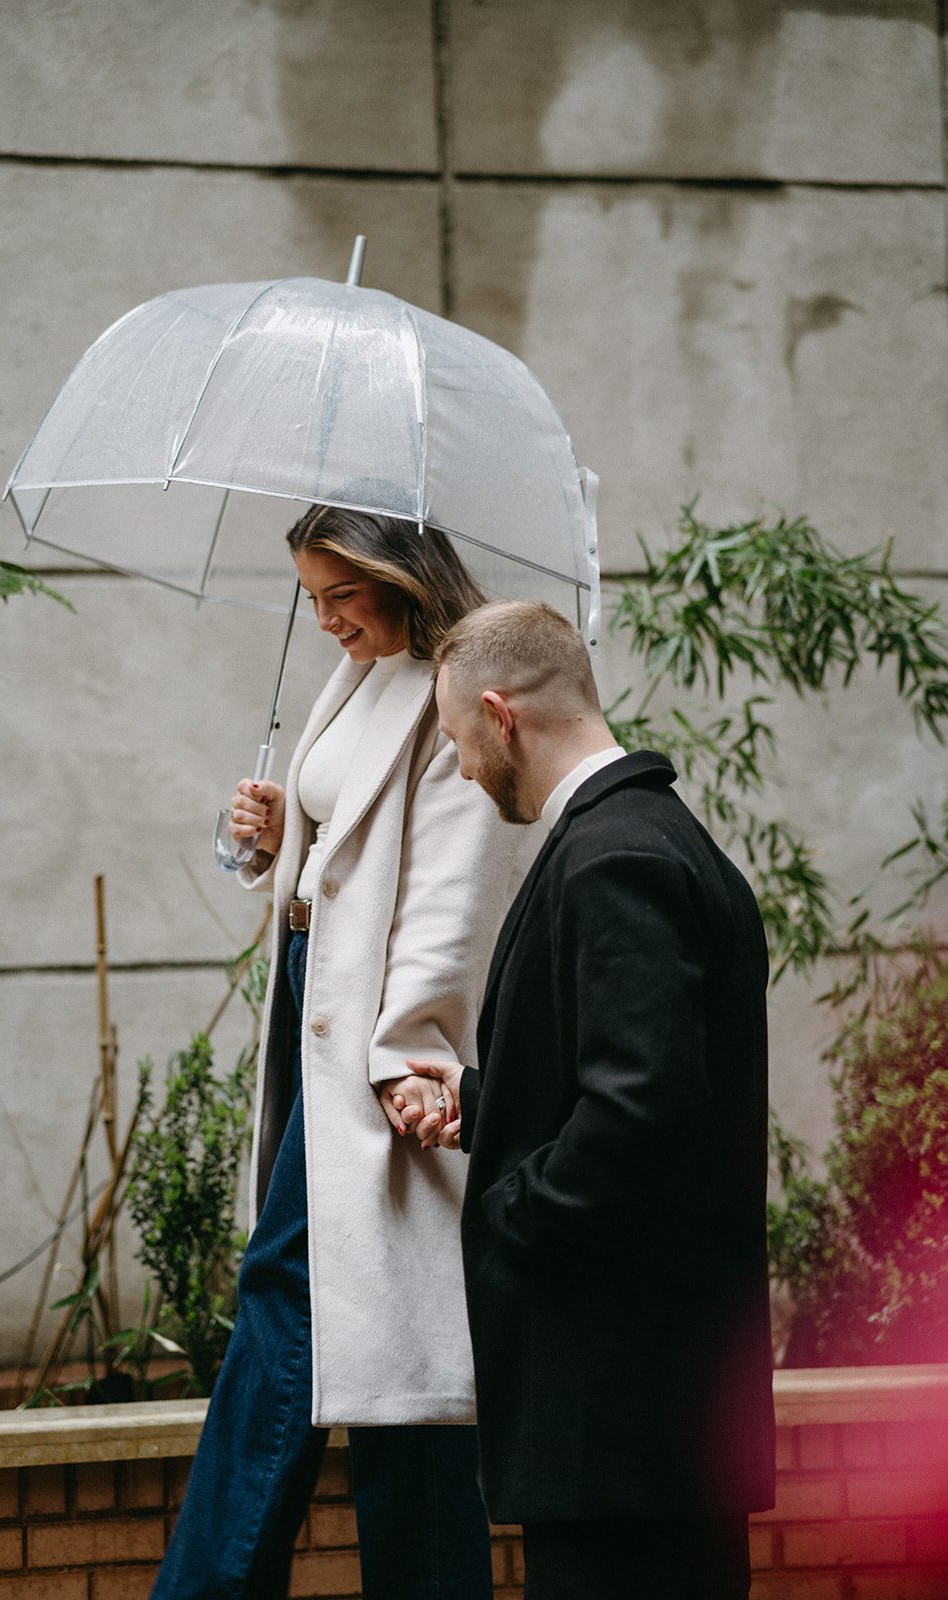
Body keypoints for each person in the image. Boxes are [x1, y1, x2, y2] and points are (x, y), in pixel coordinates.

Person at [152, 510, 538, 1600]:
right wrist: (278, 837)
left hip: (373, 1035)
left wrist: (406, 1050)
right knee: (393, 1342)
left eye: (339, 593)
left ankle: (206, 1586)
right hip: (312, 993)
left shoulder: (457, 686)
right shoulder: (362, 674)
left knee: (293, 1287)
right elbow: (346, 851)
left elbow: (452, 895)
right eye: (310, 597)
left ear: (397, 576)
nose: (323, 618)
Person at [408, 599, 776, 1600]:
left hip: (619, 1417)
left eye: (457, 739)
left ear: (500, 715)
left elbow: (641, 1105)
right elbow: (635, 1079)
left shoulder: (612, 857)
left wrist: (512, 1211)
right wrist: (484, 1104)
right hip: (653, 1426)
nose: (462, 768)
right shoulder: (650, 836)